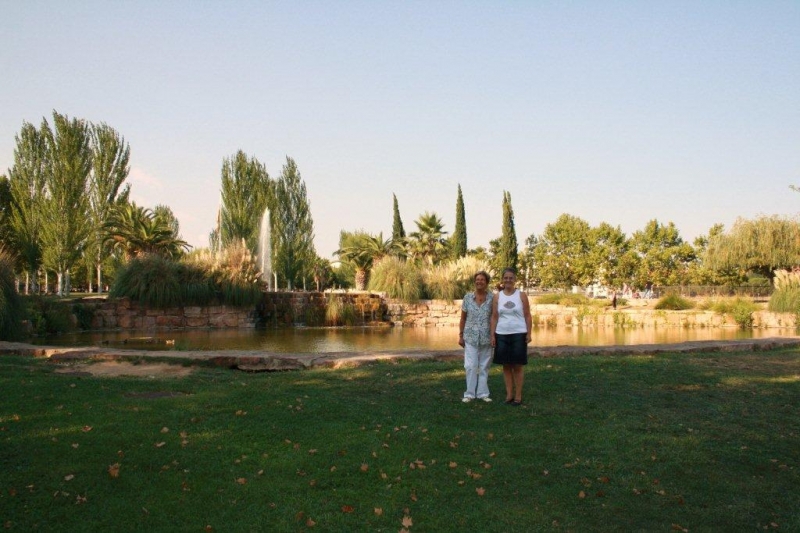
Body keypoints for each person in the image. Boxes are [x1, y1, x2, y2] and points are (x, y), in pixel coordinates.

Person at [491, 267, 532, 406]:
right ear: (503, 279)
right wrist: (492, 335)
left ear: (515, 280)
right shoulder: (498, 296)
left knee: (518, 366)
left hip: (518, 333)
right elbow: (494, 317)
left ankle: (518, 396)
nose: (508, 280)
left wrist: (529, 332)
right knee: (506, 366)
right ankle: (509, 395)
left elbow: (527, 315)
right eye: (506, 278)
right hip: (501, 334)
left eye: (511, 278)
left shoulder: (521, 295)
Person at [458, 271, 494, 403]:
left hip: (486, 337)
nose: (479, 282)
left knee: (484, 366)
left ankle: (483, 393)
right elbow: (463, 318)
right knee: (470, 365)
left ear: (487, 282)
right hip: (470, 337)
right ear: (475, 282)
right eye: (477, 279)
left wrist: (493, 335)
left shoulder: (492, 298)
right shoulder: (467, 298)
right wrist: (461, 335)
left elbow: (494, 317)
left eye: (482, 280)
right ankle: (469, 394)